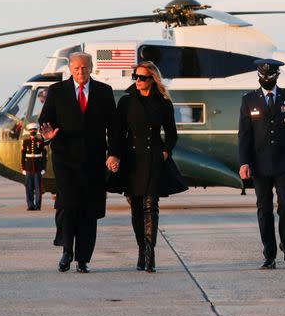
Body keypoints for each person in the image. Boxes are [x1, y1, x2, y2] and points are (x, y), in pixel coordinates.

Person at [39, 52, 116, 274]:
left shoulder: (103, 92)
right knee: (67, 206)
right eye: (76, 68)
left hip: (94, 160)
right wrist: (48, 135)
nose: (80, 72)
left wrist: (113, 153)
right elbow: (44, 121)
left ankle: (83, 258)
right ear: (70, 69)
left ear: (91, 68)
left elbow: (114, 127)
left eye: (84, 68)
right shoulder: (57, 91)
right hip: (65, 159)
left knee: (89, 211)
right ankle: (66, 250)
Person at [107, 61, 187, 273]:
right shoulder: (126, 102)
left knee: (150, 205)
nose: (138, 81)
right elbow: (116, 132)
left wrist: (166, 150)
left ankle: (150, 255)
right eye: (136, 76)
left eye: (142, 77)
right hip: (131, 159)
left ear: (152, 79)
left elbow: (172, 134)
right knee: (136, 208)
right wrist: (113, 154)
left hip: (153, 157)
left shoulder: (162, 102)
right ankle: (142, 249)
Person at [238, 59, 285, 269]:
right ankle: (269, 253)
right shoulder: (249, 99)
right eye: (263, 76)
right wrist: (244, 162)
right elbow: (244, 135)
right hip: (259, 163)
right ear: (259, 76)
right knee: (264, 208)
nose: (266, 80)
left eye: (270, 76)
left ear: (277, 76)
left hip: (284, 161)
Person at [21, 123, 47, 211]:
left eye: (34, 130)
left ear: (36, 131)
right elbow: (23, 156)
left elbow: (44, 156)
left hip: (38, 168)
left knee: (38, 188)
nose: (32, 132)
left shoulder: (40, 142)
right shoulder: (25, 142)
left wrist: (43, 168)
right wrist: (23, 168)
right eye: (31, 130)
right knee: (29, 188)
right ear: (29, 132)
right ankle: (30, 205)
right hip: (28, 168)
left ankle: (38, 205)